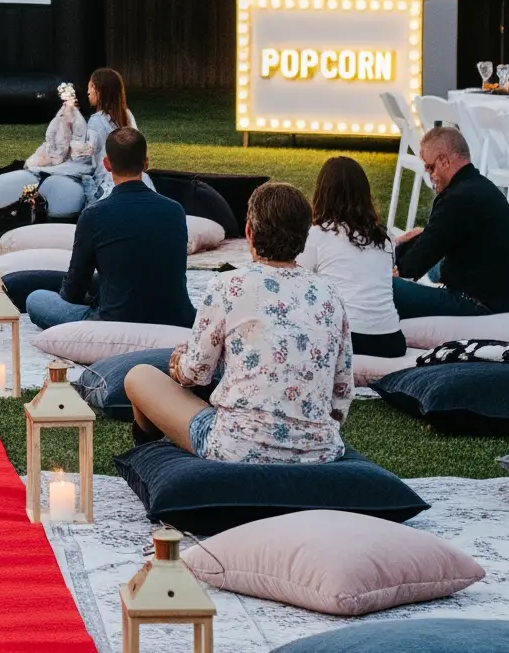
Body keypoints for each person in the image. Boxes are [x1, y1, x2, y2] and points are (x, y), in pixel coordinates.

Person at [124, 178, 352, 463]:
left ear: (249, 232)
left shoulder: (227, 286)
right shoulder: (330, 293)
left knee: (139, 376)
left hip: (236, 447)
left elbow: (196, 373)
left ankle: (149, 451)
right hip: (321, 451)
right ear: (305, 237)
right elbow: (342, 390)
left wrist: (178, 362)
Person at [15, 127, 196, 330]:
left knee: (36, 299)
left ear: (107, 164)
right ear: (146, 162)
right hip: (176, 317)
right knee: (108, 280)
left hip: (114, 320)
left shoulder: (94, 215)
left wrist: (73, 300)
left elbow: (75, 288)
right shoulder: (175, 210)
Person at [393, 125, 509, 318]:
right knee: (427, 256)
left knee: (384, 288)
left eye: (430, 167)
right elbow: (434, 238)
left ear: (444, 161)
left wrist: (394, 269)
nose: (429, 174)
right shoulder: (480, 186)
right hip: (497, 294)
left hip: (475, 302)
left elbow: (417, 262)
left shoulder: (456, 198)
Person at [0, 68, 136, 220]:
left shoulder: (96, 121)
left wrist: (47, 168)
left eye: (90, 87)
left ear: (98, 90)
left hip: (104, 182)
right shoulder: (127, 116)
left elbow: (85, 161)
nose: (88, 92)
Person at [299, 154, 406, 358]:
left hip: (348, 338)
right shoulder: (385, 237)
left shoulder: (317, 235)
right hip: (391, 340)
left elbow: (296, 280)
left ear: (322, 193)